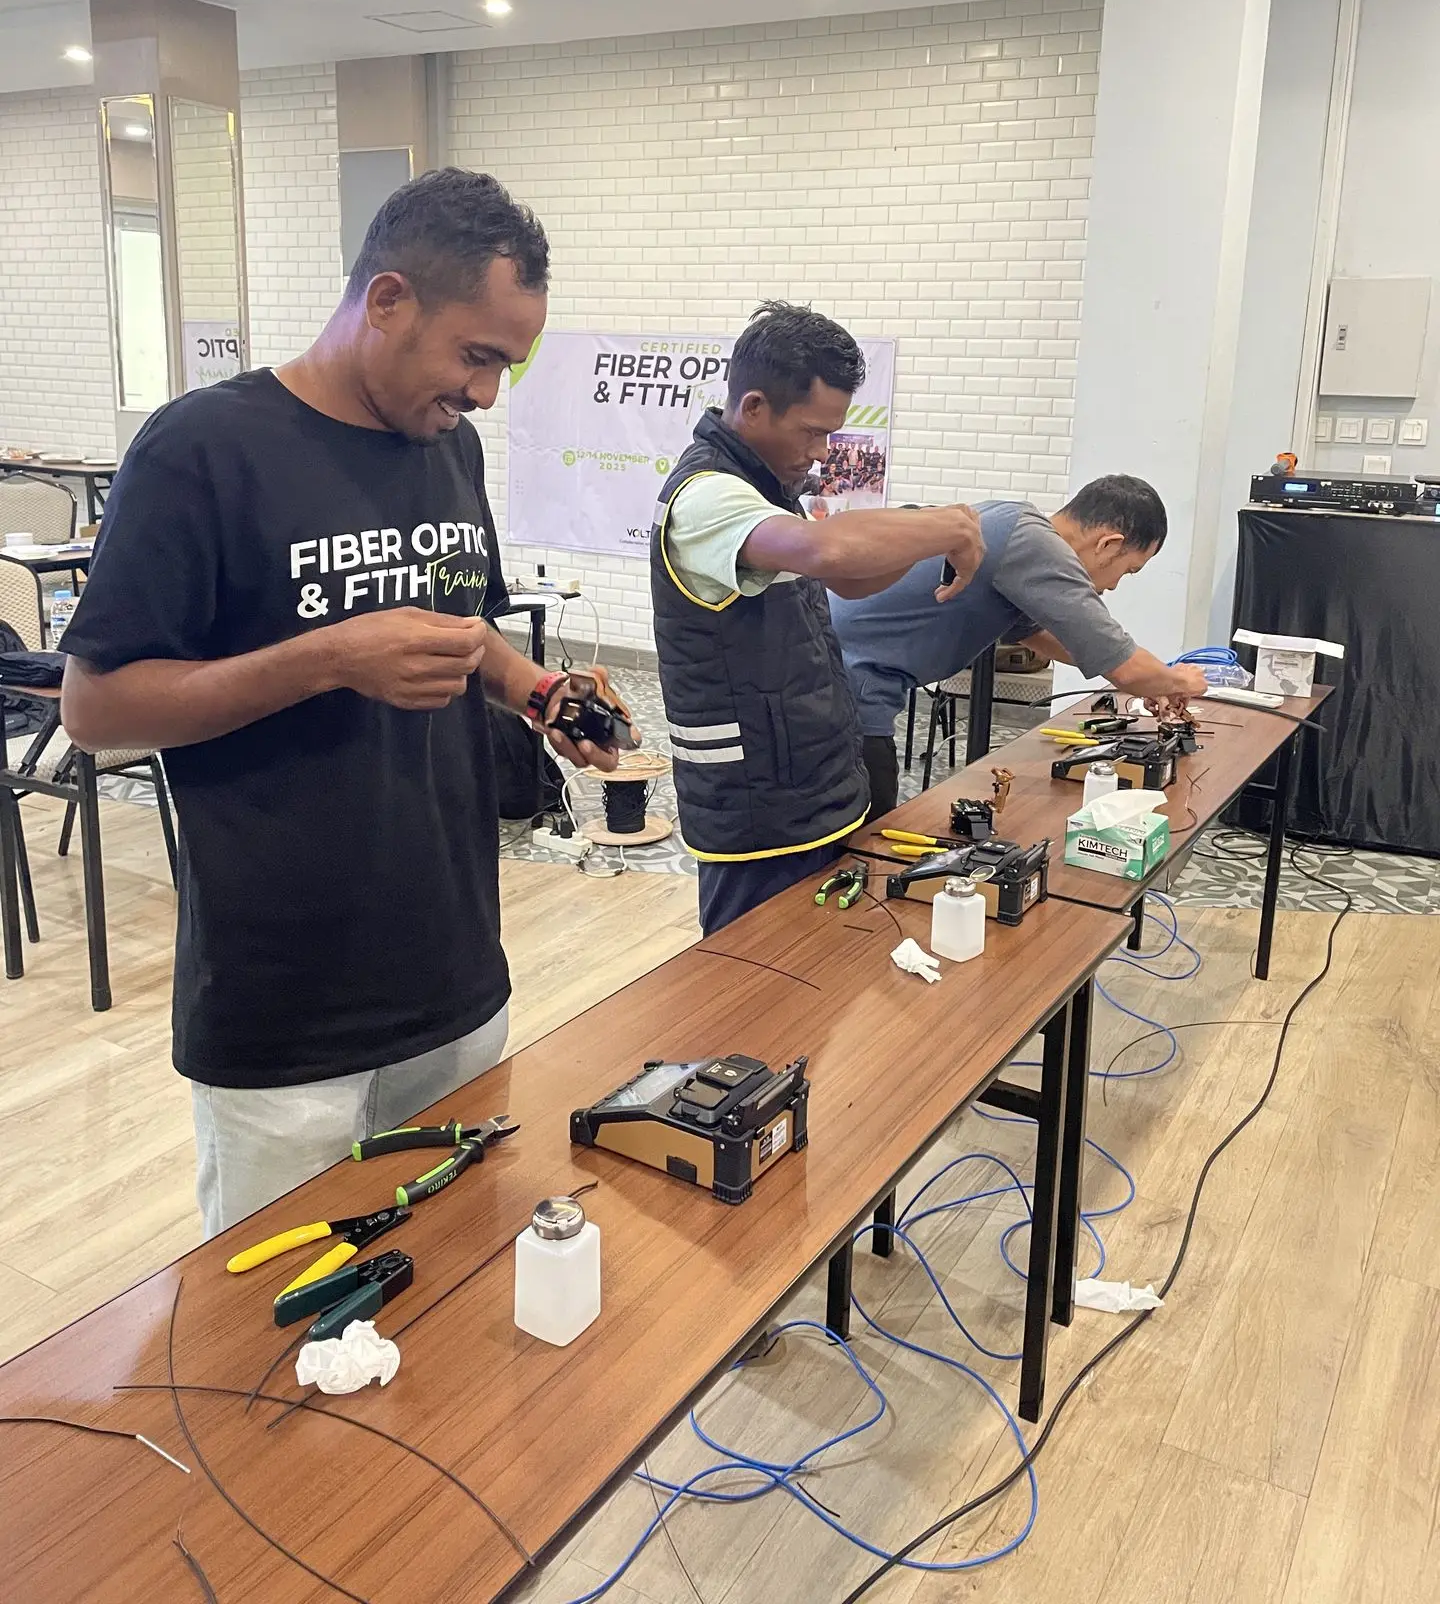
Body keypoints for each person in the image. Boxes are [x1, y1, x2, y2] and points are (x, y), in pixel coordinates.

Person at [59, 168, 624, 1235]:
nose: (486, 395)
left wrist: (535, 688)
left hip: (456, 977)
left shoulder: (446, 446)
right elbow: (95, 710)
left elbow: (461, 623)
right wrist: (327, 659)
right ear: (388, 301)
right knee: (283, 1307)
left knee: (444, 1285)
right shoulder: (200, 450)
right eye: (476, 356)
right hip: (287, 1012)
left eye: (506, 367)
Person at [651, 300, 984, 936]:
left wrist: (927, 542)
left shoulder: (763, 490)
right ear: (754, 408)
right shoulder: (707, 495)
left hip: (811, 786)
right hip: (755, 809)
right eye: (811, 432)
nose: (823, 452)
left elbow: (845, 579)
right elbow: (823, 552)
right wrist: (945, 526)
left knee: (821, 967)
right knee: (752, 977)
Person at [829, 474, 1208, 816]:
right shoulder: (1036, 546)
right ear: (1109, 544)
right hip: (845, 687)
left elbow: (1043, 636)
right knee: (864, 834)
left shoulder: (1017, 523)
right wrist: (1180, 681)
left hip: (844, 679)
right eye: (1127, 570)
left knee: (866, 817)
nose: (1112, 585)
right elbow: (1124, 665)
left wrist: (1151, 681)